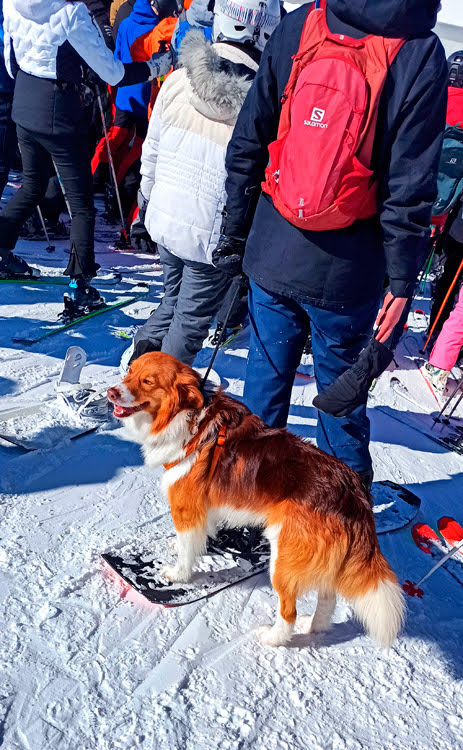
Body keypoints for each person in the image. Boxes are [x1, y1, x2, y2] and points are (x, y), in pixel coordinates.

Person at [212, 0, 448, 489]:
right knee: (340, 397)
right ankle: (341, 520)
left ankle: (248, 500)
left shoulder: (304, 23)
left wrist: (235, 235)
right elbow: (410, 184)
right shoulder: (420, 50)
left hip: (273, 247)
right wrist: (403, 282)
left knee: (264, 385)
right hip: (348, 269)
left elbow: (249, 139)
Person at [121, 0, 281, 371]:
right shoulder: (262, 101)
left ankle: (140, 363)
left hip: (166, 214)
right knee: (190, 321)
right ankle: (157, 393)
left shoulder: (179, 77)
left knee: (173, 299)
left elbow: (153, 147)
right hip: (208, 232)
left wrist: (146, 199)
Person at [0, 0, 172, 316]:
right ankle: (80, 285)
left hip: (25, 98)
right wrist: (157, 66)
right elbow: (113, 72)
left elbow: (10, 57)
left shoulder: (13, 2)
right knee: (81, 205)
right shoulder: (71, 12)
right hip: (57, 107)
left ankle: (1, 248)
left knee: (32, 185)